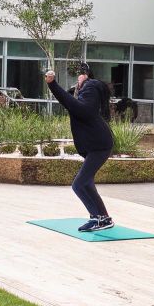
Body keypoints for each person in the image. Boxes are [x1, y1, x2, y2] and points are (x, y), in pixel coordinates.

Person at [46, 63, 116, 232]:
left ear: (88, 77)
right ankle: (102, 217)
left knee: (79, 184)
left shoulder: (91, 87)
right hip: (96, 145)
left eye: (82, 74)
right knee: (87, 183)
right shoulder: (86, 92)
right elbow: (70, 102)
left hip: (100, 145)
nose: (78, 77)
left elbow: (78, 108)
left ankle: (99, 218)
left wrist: (53, 84)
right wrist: (54, 86)